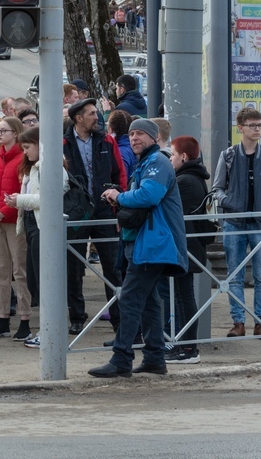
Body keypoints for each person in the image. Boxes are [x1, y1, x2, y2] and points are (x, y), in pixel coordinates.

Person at [88, 119, 187, 377]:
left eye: (140, 133)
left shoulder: (157, 163)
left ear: (154, 137)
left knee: (131, 299)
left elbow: (149, 196)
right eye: (131, 134)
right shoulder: (146, 162)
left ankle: (121, 359)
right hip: (145, 243)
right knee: (149, 303)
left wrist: (118, 196)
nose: (134, 138)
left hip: (153, 244)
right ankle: (154, 358)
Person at [213, 107, 261, 338]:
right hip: (234, 223)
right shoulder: (229, 156)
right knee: (235, 275)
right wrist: (229, 201)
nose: (257, 130)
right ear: (240, 128)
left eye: (260, 125)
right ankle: (238, 322)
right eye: (253, 125)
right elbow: (217, 189)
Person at [60, 97, 127, 335]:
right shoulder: (64, 142)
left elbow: (120, 175)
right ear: (79, 118)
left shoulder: (107, 141)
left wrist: (119, 210)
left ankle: (119, 317)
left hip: (104, 209)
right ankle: (77, 316)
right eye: (91, 114)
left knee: (113, 266)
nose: (97, 117)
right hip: (76, 213)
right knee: (73, 266)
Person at [0, 116, 31, 340]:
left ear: (16, 133)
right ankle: (2, 317)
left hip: (14, 221)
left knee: (19, 271)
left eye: (4, 131)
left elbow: (23, 193)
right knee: (0, 270)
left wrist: (3, 211)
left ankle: (24, 319)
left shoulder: (23, 159)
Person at [164, 136, 211, 364]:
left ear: (183, 156)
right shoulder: (191, 177)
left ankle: (188, 348)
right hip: (187, 246)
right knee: (183, 296)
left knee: (184, 297)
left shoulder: (186, 181)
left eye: (172, 154)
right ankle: (183, 345)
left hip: (186, 247)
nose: (170, 159)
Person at [4, 127, 42, 347]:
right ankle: (44, 329)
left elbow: (48, 196)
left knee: (42, 281)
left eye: (27, 147)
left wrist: (19, 200)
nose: (25, 152)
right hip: (30, 224)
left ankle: (47, 330)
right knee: (34, 281)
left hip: (40, 225)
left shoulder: (47, 166)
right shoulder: (31, 168)